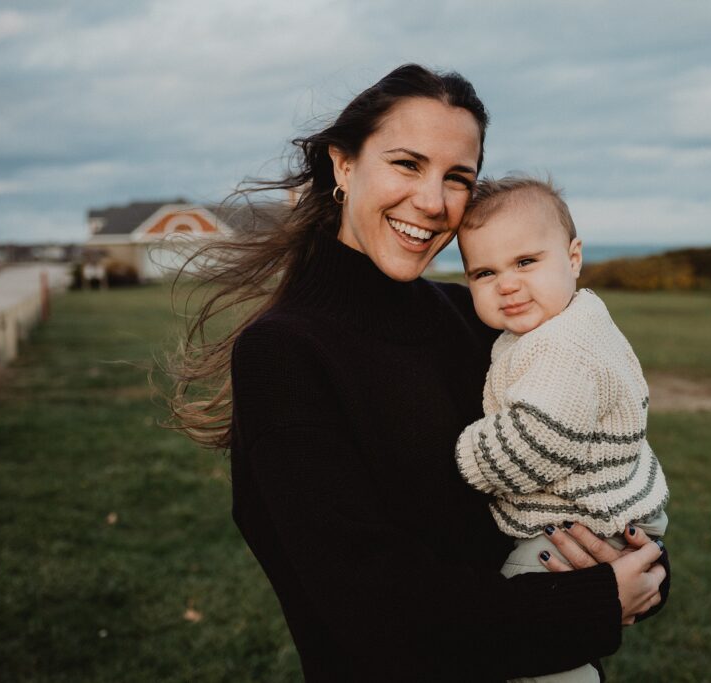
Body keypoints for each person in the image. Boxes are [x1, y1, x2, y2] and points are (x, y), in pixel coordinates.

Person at [169, 64, 669, 682]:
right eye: (407, 164)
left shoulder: (476, 320)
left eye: (457, 178)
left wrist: (639, 561)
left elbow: (602, 459)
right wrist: (596, 602)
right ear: (343, 166)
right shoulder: (283, 355)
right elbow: (370, 609)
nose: (432, 203)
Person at [454, 176, 670, 683]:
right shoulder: (575, 320)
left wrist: (466, 451)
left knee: (535, 627)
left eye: (526, 262)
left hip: (580, 526)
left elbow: (537, 443)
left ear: (573, 258)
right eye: (484, 272)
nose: (507, 284)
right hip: (611, 512)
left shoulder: (561, 349)